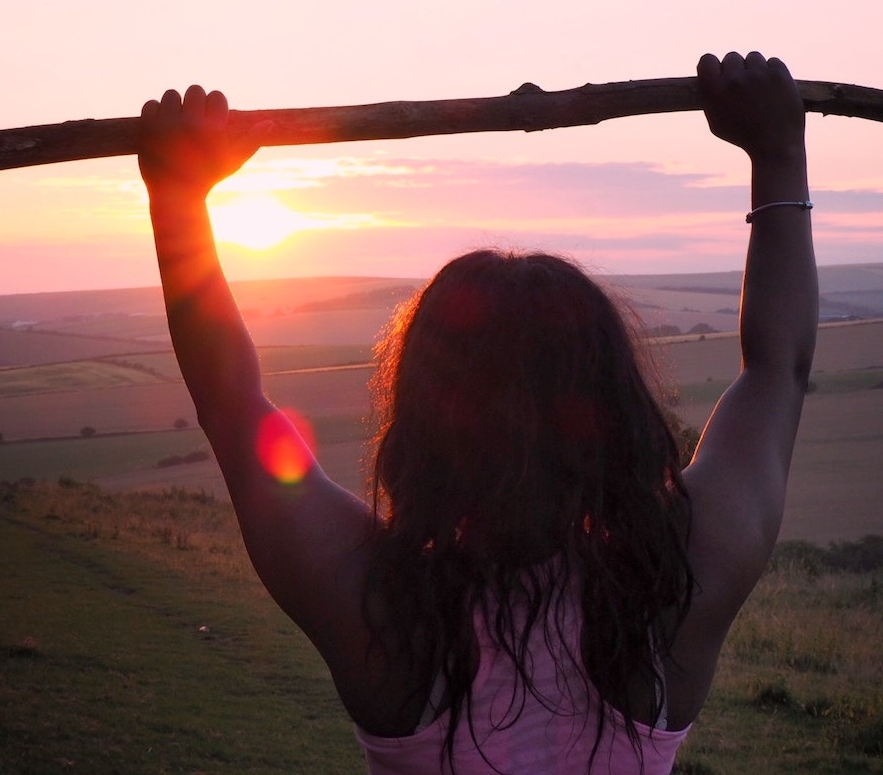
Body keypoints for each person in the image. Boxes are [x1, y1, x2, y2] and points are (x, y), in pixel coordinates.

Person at [136, 51, 815, 774]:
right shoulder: (677, 586)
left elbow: (231, 405)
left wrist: (178, 198)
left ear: (424, 420)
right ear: (614, 411)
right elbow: (778, 372)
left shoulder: (373, 603)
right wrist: (778, 154)